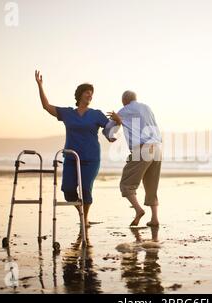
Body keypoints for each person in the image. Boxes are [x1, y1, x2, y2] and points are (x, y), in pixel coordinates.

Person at [34, 70, 120, 228]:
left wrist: (118, 122)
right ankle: (80, 209)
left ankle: (84, 219)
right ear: (80, 95)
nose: (90, 95)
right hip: (71, 158)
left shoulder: (96, 114)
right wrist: (40, 86)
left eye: (92, 93)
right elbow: (46, 106)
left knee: (86, 189)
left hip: (90, 159)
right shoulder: (67, 113)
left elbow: (108, 130)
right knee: (68, 192)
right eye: (87, 92)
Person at [105, 90, 162, 227]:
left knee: (126, 184)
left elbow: (110, 128)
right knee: (151, 186)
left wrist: (110, 135)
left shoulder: (125, 110)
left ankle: (138, 210)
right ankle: (154, 219)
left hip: (142, 149)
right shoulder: (147, 108)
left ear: (124, 101)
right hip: (157, 148)